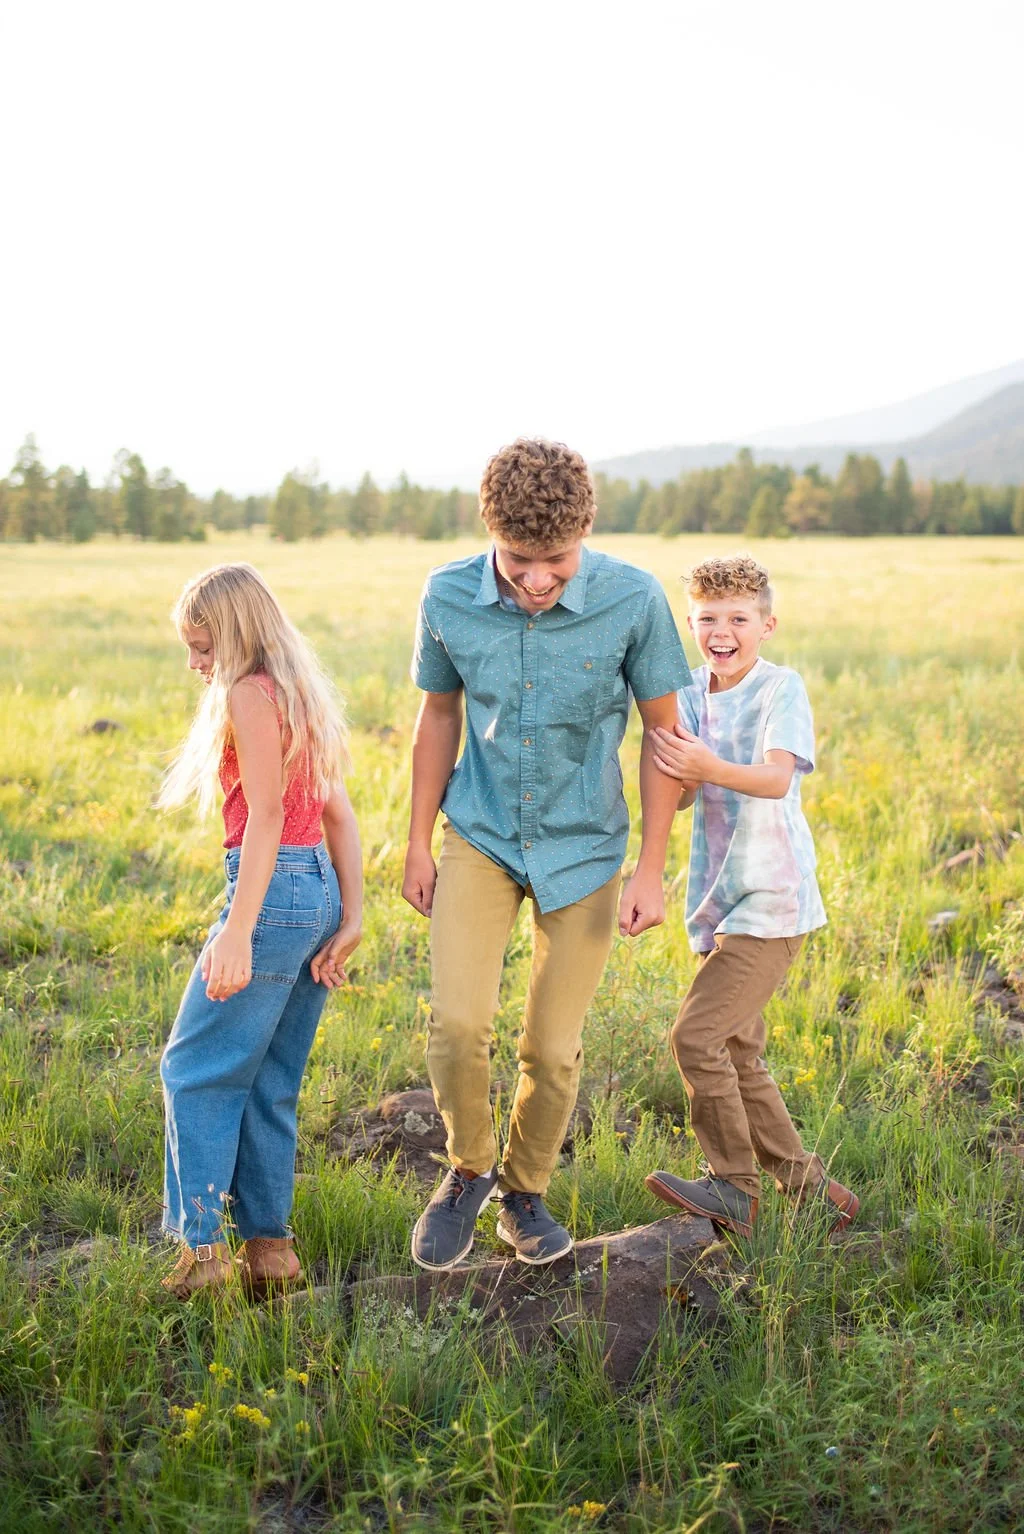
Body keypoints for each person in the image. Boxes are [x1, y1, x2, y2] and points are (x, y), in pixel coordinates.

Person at [402, 438, 691, 1271]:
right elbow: (438, 719)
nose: (536, 580)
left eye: (556, 563)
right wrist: (418, 842)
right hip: (481, 835)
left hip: (586, 847)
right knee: (458, 1025)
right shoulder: (448, 596)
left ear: (585, 536)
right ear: (491, 534)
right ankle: (468, 1172)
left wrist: (649, 867)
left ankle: (523, 1194)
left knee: (552, 1050)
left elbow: (665, 737)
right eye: (519, 560)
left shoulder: (634, 600)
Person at [157, 563, 362, 1297]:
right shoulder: (299, 694)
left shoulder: (248, 693)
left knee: (195, 1072)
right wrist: (352, 914)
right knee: (269, 1081)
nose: (196, 665)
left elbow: (269, 814)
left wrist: (237, 931)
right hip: (317, 893)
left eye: (203, 647)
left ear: (237, 636)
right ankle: (271, 1252)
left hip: (269, 892)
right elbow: (336, 814)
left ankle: (202, 1255)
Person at [643, 554, 858, 1236]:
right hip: (719, 899)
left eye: (738, 618)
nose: (722, 630)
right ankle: (816, 1194)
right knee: (737, 1050)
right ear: (690, 623)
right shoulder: (688, 695)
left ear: (766, 624)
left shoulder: (780, 688)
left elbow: (774, 779)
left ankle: (734, 1185)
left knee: (696, 1036)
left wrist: (706, 764)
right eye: (708, 618)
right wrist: (675, 768)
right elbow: (678, 800)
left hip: (773, 897)